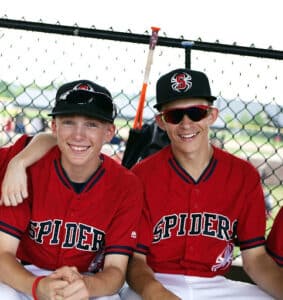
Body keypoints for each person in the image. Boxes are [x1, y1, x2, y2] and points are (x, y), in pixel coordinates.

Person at [119, 69, 283, 299]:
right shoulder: (142, 175)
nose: (186, 124)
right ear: (162, 122)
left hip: (216, 286)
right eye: (175, 116)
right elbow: (135, 260)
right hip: (155, 280)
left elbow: (255, 259)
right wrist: (156, 293)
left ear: (211, 116)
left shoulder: (243, 175)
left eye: (196, 113)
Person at [0, 79, 143, 299]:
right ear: (54, 127)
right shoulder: (29, 168)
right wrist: (37, 286)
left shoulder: (126, 184)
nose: (78, 135)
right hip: (26, 274)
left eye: (91, 124)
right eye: (68, 122)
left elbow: (115, 271)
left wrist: (87, 285)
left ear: (109, 132)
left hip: (88, 280)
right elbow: (3, 255)